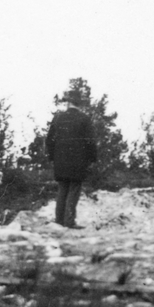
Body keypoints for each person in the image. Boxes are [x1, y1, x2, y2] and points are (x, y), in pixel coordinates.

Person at [45, 90, 97, 229]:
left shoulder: (58, 118)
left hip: (60, 161)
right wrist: (92, 159)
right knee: (74, 190)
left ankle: (59, 221)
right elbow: (90, 142)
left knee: (62, 189)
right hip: (78, 162)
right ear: (80, 104)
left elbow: (49, 140)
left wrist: (52, 157)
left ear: (68, 102)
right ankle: (69, 222)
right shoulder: (84, 119)